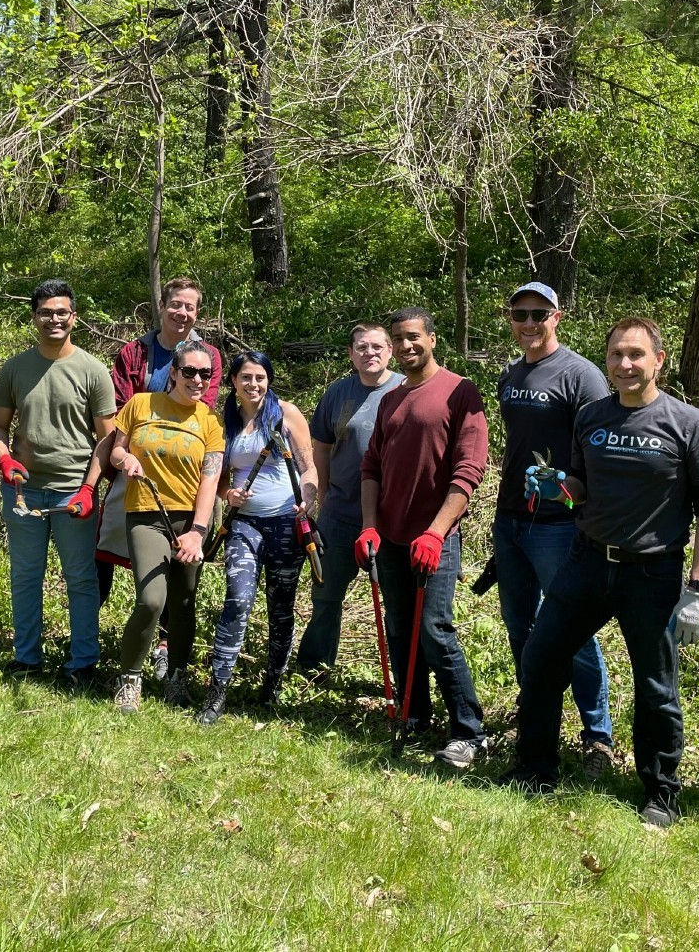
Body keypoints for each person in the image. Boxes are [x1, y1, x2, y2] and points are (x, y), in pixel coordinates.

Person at [505, 317, 699, 828]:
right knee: (541, 660)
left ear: (658, 361)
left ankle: (661, 791)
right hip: (586, 560)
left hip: (652, 571)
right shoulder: (592, 417)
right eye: (616, 356)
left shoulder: (689, 424)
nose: (625, 365)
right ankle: (535, 769)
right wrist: (559, 484)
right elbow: (582, 483)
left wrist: (697, 588)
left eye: (636, 355)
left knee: (654, 685)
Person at [356, 308, 489, 769]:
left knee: (434, 630)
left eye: (414, 336)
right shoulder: (392, 399)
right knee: (399, 628)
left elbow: (469, 470)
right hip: (390, 538)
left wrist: (435, 532)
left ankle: (469, 732)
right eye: (399, 339)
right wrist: (369, 525)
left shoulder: (459, 391)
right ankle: (414, 714)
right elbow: (371, 466)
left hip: (435, 539)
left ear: (431, 338)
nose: (407, 345)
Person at [492, 282, 615, 778]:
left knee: (573, 631)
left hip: (561, 526)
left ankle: (597, 735)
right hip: (511, 520)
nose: (528, 323)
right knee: (521, 626)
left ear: (556, 317)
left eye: (538, 314)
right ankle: (539, 717)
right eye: (520, 314)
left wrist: (571, 493)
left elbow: (601, 449)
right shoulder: (510, 373)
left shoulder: (581, 375)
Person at [92, 277, 223, 678]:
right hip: (137, 480)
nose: (182, 313)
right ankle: (90, 645)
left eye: (191, 307)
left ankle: (168, 652)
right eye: (176, 304)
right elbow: (118, 417)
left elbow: (202, 414)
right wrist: (122, 458)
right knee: (111, 562)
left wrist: (200, 527)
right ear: (161, 304)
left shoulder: (208, 357)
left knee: (182, 593)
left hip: (188, 485)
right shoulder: (135, 353)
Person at [0, 279, 117, 684]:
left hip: (72, 492)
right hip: (23, 490)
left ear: (74, 318)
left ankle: (83, 663)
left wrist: (89, 487)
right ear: (35, 318)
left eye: (62, 312)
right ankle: (27, 658)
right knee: (26, 576)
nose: (54, 319)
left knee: (80, 577)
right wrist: (5, 458)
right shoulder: (15, 367)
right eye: (46, 312)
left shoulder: (93, 370)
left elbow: (108, 438)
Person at [198, 351, 317, 724]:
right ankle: (217, 693)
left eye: (260, 377)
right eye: (246, 377)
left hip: (285, 521)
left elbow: (308, 465)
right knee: (238, 599)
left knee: (281, 607)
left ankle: (272, 686)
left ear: (269, 379)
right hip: (243, 524)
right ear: (233, 381)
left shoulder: (285, 413)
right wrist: (227, 495)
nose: (253, 384)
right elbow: (217, 478)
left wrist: (310, 498)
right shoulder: (224, 422)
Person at [109, 339, 225, 712]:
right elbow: (115, 448)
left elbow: (211, 480)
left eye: (204, 373)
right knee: (151, 600)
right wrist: (126, 458)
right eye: (189, 371)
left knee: (184, 602)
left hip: (190, 521)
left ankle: (176, 677)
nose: (197, 379)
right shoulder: (141, 404)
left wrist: (198, 532)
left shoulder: (210, 423)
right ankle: (130, 678)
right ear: (173, 372)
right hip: (146, 515)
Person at [295, 323, 405, 673]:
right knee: (325, 595)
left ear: (390, 350)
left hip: (393, 519)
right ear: (351, 354)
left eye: (376, 346)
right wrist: (323, 497)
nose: (369, 353)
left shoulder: (407, 390)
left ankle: (404, 676)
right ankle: (314, 667)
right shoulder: (337, 393)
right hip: (340, 514)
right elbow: (322, 449)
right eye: (361, 347)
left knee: (398, 602)